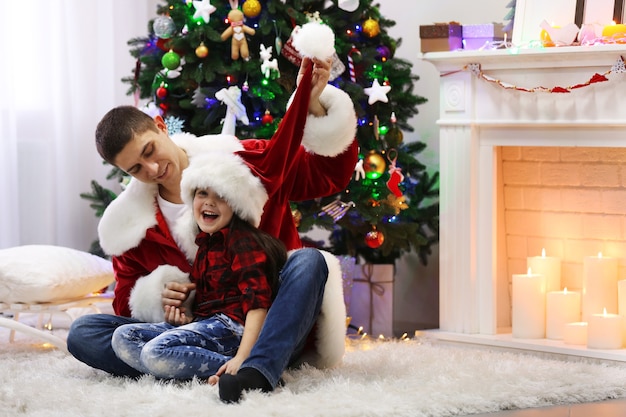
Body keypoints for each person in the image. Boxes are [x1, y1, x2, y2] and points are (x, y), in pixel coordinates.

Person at [67, 50, 357, 402]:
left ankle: (255, 365)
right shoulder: (130, 226)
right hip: (193, 330)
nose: (152, 169)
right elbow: (124, 306)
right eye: (136, 169)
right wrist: (161, 300)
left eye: (149, 151)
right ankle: (223, 367)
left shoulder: (240, 163)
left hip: (265, 321)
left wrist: (312, 106)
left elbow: (328, 175)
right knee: (85, 331)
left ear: (161, 126)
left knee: (308, 261)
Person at [111, 151, 287, 382]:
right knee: (123, 337)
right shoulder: (204, 245)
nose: (209, 202)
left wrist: (244, 355)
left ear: (235, 204)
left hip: (232, 328)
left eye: (220, 196)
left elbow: (257, 305)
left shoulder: (243, 242)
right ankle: (188, 364)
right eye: (202, 193)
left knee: (154, 352)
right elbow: (203, 308)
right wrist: (183, 322)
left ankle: (245, 370)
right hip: (206, 324)